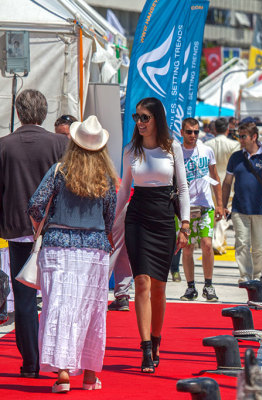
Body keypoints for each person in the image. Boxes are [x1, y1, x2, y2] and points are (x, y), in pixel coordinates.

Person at [27, 115, 118, 393]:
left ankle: (63, 374)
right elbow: (109, 216)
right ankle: (89, 377)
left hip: (58, 246)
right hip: (94, 249)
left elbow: (35, 205)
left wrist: (39, 228)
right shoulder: (106, 178)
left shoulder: (59, 170)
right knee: (91, 310)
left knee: (59, 307)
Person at [114, 97, 191, 373]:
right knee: (142, 283)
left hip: (163, 220)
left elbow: (182, 189)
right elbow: (123, 191)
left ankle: (156, 340)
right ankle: (146, 348)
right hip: (137, 218)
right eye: (137, 117)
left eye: (145, 117)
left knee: (159, 287)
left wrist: (185, 225)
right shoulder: (130, 150)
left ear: (157, 118)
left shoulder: (173, 148)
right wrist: (112, 224)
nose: (140, 122)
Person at [0, 89, 68, 378]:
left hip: (16, 231)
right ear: (44, 113)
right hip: (53, 231)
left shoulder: (3, 146)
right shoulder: (60, 144)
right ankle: (58, 360)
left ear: (18, 112)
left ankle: (31, 362)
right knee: (56, 297)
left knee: (25, 300)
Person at [178, 118, 223, 301]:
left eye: (196, 132)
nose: (193, 135)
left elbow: (214, 177)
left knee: (206, 244)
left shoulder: (207, 150)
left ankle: (209, 285)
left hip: (205, 205)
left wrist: (219, 203)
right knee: (187, 247)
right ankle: (190, 288)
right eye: (189, 132)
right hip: (184, 207)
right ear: (182, 132)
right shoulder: (176, 152)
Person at [222, 122, 262, 283]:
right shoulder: (236, 157)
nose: (240, 140)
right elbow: (227, 182)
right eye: (238, 136)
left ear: (254, 137)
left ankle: (257, 276)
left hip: (261, 208)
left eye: (243, 136)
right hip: (239, 208)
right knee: (241, 243)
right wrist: (222, 205)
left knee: (258, 247)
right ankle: (245, 275)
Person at [205, 117, 240, 254]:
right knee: (224, 211)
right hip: (227, 182)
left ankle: (214, 238)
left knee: (212, 212)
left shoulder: (207, 144)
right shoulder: (234, 144)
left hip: (210, 181)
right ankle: (217, 240)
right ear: (227, 129)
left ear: (214, 129)